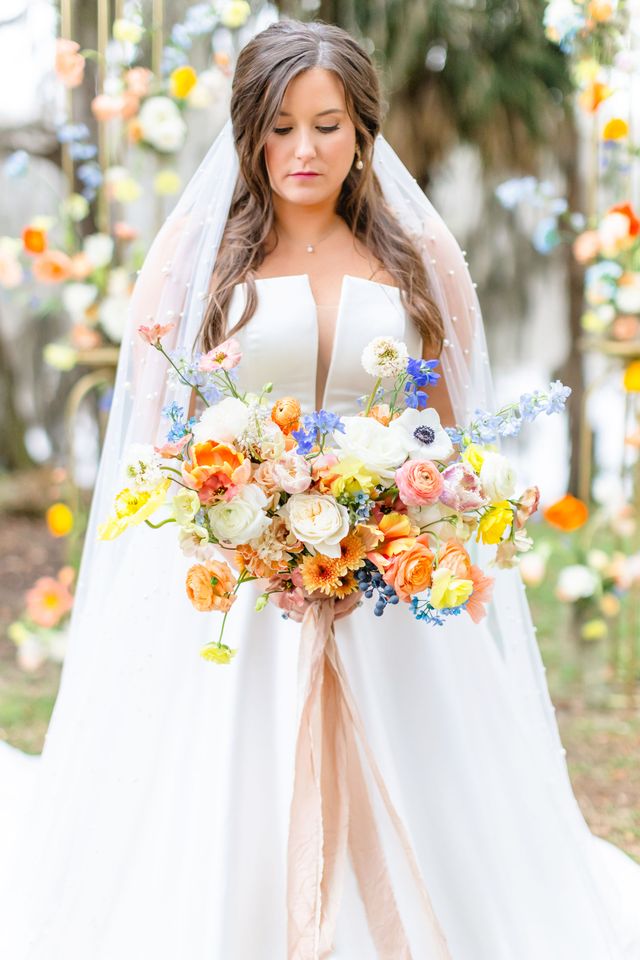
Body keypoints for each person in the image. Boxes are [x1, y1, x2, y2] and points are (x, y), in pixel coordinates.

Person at [2, 18, 640, 960]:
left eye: (328, 125)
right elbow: (147, 451)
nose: (304, 150)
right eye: (280, 125)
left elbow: (458, 441)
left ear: (362, 132)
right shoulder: (195, 258)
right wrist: (237, 525)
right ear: (248, 131)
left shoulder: (420, 262)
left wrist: (421, 523)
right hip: (233, 590)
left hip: (390, 588)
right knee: (225, 800)